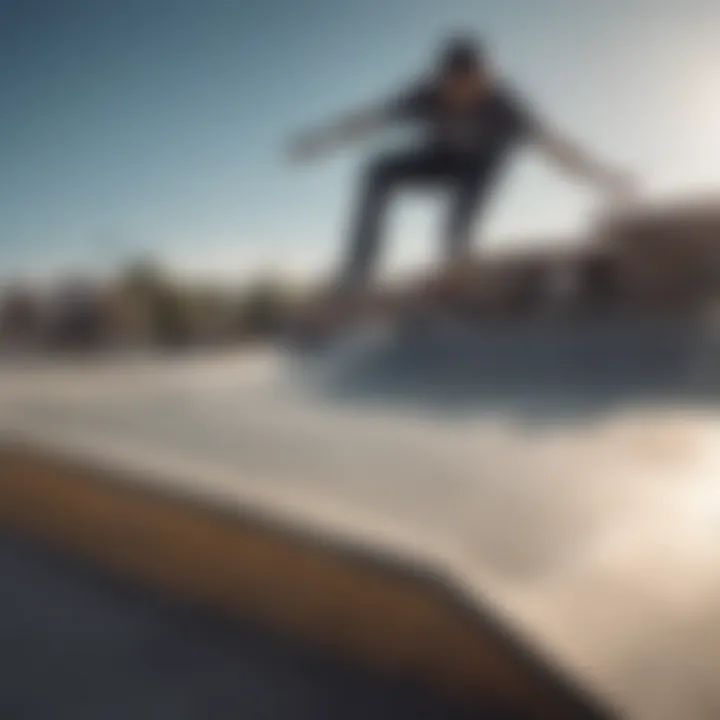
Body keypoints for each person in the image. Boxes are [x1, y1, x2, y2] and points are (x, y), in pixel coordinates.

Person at [288, 35, 635, 305]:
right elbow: (368, 120)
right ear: (442, 79)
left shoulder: (507, 106)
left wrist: (605, 177)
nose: (462, 97)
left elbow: (557, 149)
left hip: (479, 174)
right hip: (437, 162)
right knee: (378, 171)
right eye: (454, 88)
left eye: (473, 87)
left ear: (485, 79)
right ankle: (358, 272)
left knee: (453, 235)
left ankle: (458, 278)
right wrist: (319, 141)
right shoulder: (424, 95)